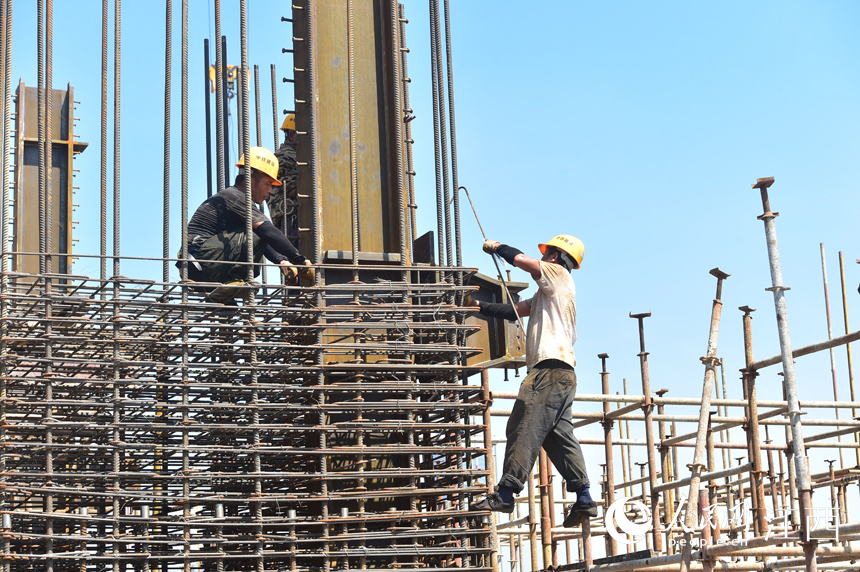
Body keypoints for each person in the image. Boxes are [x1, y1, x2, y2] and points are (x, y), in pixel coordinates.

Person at [469, 234, 595, 526]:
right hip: (563, 374)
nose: (546, 256)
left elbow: (524, 262)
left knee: (523, 425)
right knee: (558, 437)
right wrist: (480, 308)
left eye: (548, 252)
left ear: (557, 256)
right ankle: (584, 497)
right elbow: (516, 311)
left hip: (547, 371)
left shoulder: (557, 273)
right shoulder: (550, 293)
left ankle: (506, 492)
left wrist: (498, 248)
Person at [183, 146, 314, 304]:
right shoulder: (236, 197)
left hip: (199, 265)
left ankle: (223, 301)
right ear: (250, 180)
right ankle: (234, 280)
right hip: (204, 261)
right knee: (260, 230)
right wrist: (300, 260)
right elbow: (266, 232)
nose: (270, 191)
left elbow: (260, 239)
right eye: (267, 184)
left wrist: (282, 260)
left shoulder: (233, 200)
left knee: (232, 315)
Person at [266, 114, 299, 235]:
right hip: (291, 217)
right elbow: (295, 187)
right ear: (291, 136)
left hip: (288, 218)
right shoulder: (286, 156)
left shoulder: (291, 156)